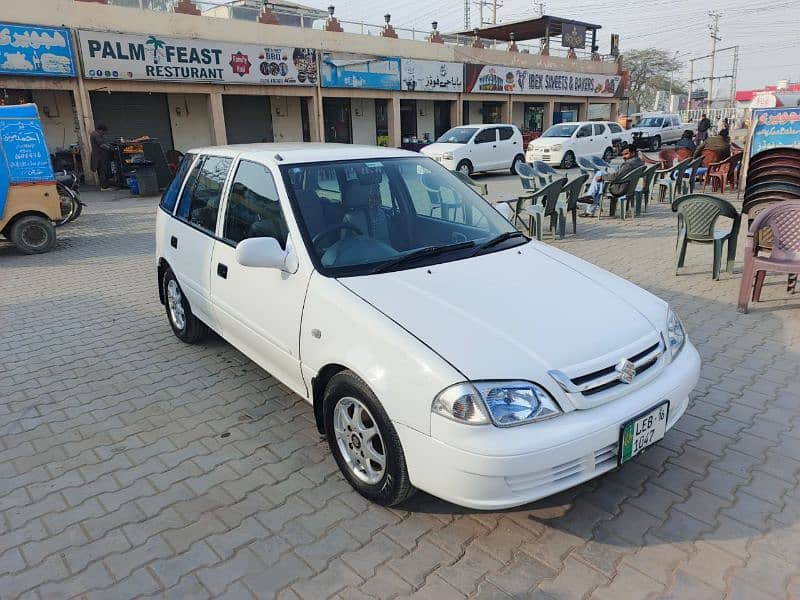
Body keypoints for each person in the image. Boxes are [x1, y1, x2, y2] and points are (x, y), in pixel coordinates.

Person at [582, 145, 643, 216]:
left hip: (620, 188)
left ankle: (590, 202)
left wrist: (602, 177)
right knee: (600, 175)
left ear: (633, 153)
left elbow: (615, 177)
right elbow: (620, 175)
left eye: (626, 154)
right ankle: (590, 200)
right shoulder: (639, 162)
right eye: (623, 154)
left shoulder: (628, 164)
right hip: (629, 186)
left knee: (600, 178)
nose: (623, 157)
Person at [90, 124, 111, 190]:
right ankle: (104, 187)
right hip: (99, 156)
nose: (104, 133)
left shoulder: (94, 134)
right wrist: (110, 148)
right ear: (101, 130)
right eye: (104, 132)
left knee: (101, 171)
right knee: (102, 171)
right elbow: (101, 145)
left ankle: (104, 186)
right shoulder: (96, 135)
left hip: (99, 156)